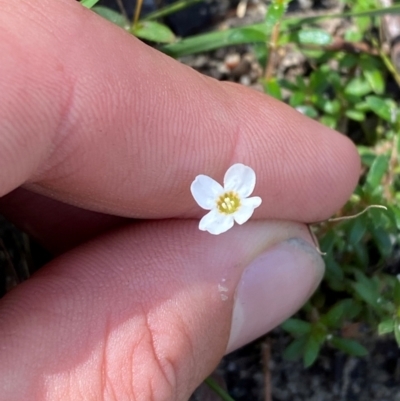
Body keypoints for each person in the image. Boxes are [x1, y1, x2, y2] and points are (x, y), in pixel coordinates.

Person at [0, 1, 360, 400]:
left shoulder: (236, 194)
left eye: (227, 200)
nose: (226, 202)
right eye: (225, 201)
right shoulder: (221, 203)